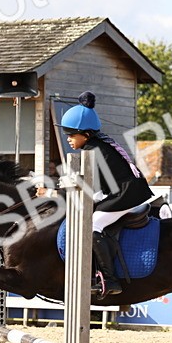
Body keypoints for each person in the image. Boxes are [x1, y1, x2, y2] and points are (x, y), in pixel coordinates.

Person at [59, 91, 154, 296]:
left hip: (127, 194)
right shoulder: (95, 146)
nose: (67, 139)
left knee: (94, 224)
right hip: (123, 191)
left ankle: (110, 280)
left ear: (85, 134)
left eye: (71, 134)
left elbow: (93, 190)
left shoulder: (94, 150)